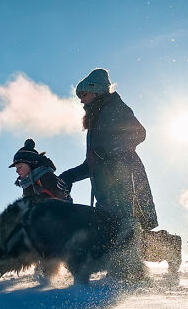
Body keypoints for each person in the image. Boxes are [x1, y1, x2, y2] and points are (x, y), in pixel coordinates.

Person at [57, 67, 158, 238]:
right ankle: (168, 246)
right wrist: (69, 176)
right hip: (105, 192)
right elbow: (92, 162)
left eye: (84, 95)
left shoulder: (115, 108)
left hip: (125, 185)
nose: (81, 101)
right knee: (113, 238)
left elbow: (139, 133)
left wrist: (108, 152)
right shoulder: (94, 123)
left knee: (125, 236)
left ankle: (169, 246)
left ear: (96, 91)